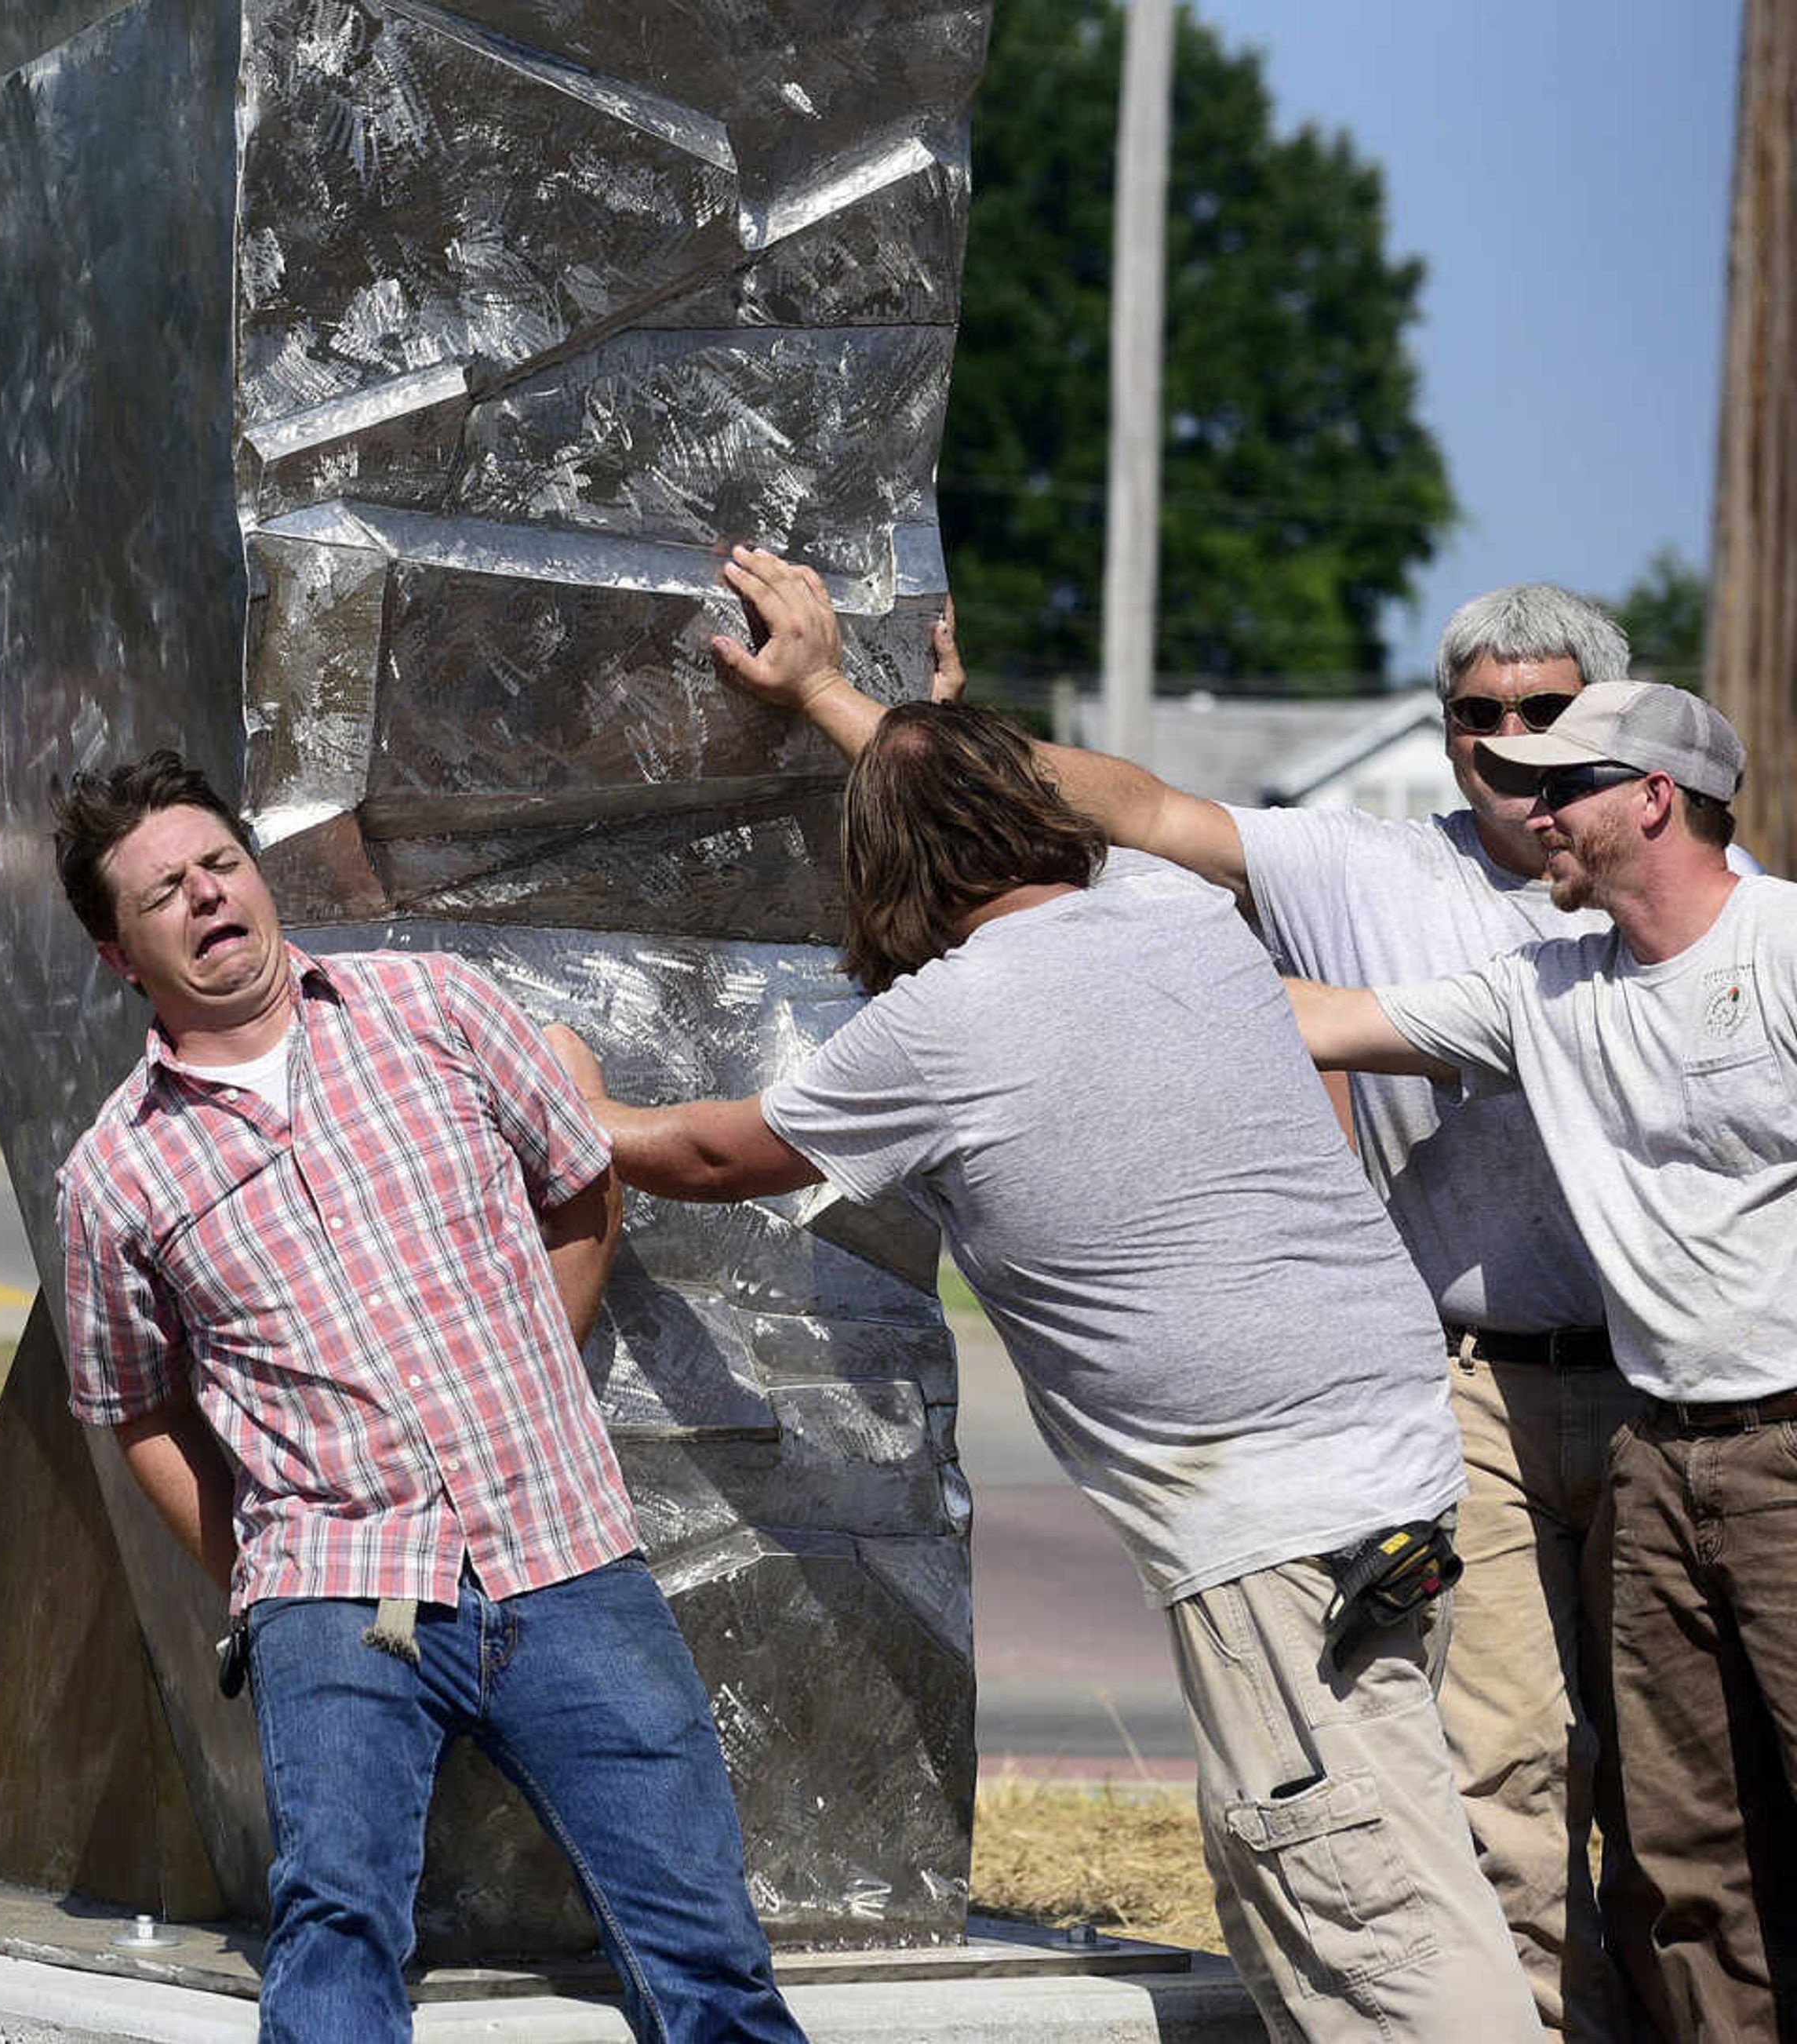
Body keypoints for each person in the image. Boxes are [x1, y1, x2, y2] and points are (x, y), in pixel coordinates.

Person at [714, 546, 1652, 2039]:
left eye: (1547, 711)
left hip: (1687, 1409)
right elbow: (1104, 821)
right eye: (1478, 713)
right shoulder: (1364, 872)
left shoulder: (1732, 922)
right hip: (1469, 1396)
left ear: (1631, 730)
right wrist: (862, 704)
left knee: (1689, 1823)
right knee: (1479, 1814)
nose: (1511, 742)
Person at [49, 751, 805, 2044]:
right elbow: (139, 1408)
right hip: (339, 1592)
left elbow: (578, 1182)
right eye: (165, 890)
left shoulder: (437, 1007)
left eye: (221, 862)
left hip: (563, 1550)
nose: (209, 896)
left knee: (705, 1948)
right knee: (336, 1935)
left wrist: (526, 1383)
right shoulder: (112, 1174)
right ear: (122, 954)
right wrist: (261, 1575)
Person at [1282, 682, 1796, 2042]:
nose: (1528, 808)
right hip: (1659, 1449)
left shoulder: (1787, 946)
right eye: (1518, 781)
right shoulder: (1546, 990)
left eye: (1561, 784)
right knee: (1690, 1851)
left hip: (1791, 1445)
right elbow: (1315, 1020)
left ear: (1654, 797)